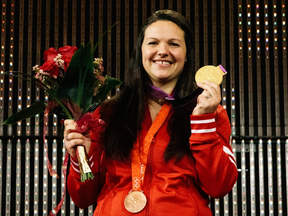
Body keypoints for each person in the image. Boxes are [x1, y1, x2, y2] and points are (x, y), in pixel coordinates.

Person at [64, 9, 238, 216]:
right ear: (140, 53)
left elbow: (219, 187)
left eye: (174, 44)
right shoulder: (107, 113)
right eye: (153, 43)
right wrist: (79, 158)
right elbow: (82, 198)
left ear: (187, 56)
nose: (162, 51)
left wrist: (202, 121)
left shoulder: (210, 112)